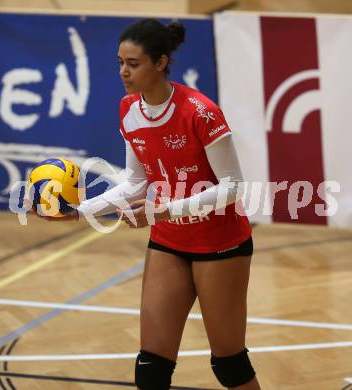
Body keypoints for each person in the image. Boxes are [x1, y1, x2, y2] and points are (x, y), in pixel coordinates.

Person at [35, 18, 261, 390]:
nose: (124, 72)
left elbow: (233, 188)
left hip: (221, 245)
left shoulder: (200, 112)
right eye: (120, 62)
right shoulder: (129, 110)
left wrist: (162, 210)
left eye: (133, 63)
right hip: (169, 241)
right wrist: (79, 211)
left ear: (160, 62)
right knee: (151, 368)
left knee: (229, 365)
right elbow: (137, 182)